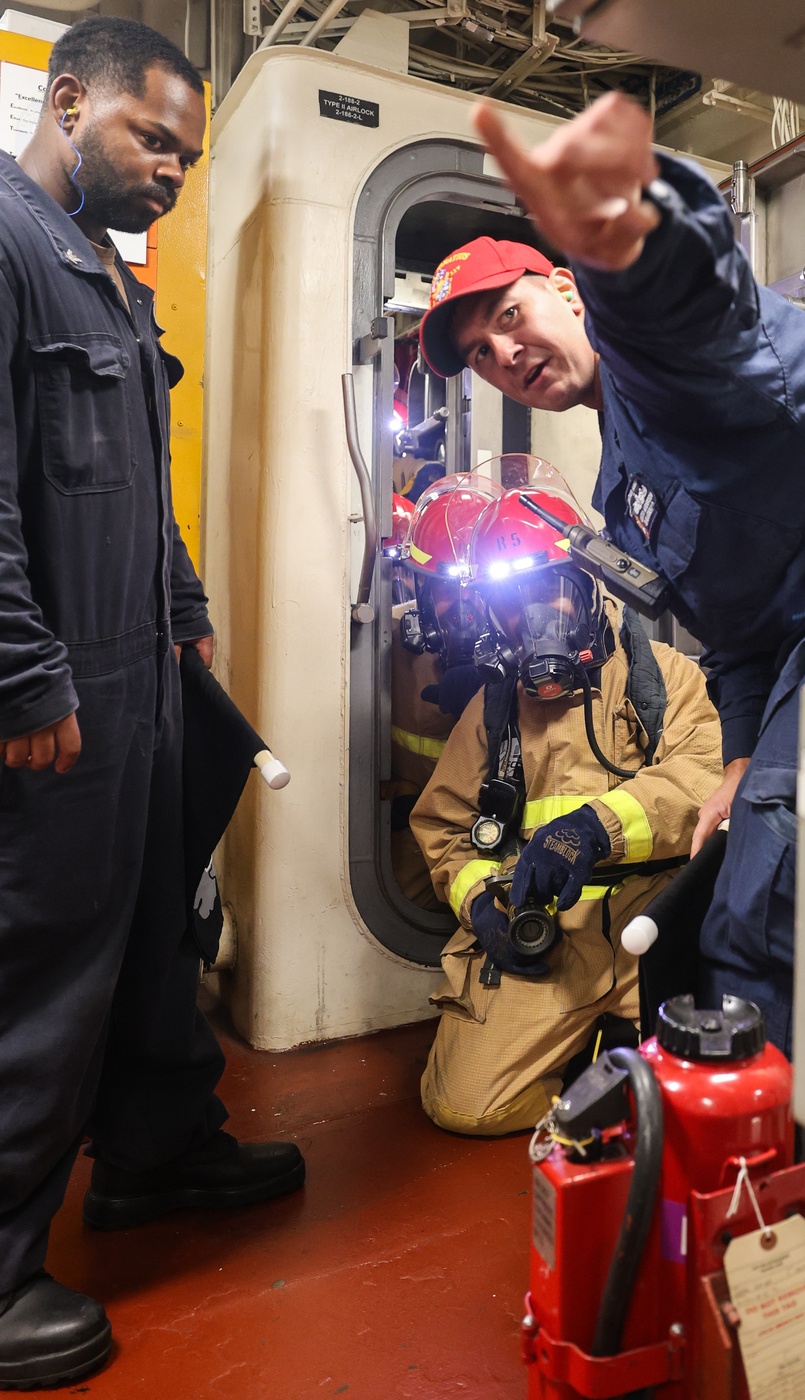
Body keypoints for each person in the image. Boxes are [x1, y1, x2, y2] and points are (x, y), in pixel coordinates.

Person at [417, 92, 805, 1276]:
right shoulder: (621, 458)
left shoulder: (654, 357)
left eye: (511, 316)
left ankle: (789, 1266)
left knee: (752, 922)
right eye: (479, 354)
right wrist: (732, 758)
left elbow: (696, 304)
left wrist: (627, 232)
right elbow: (731, 631)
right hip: (803, 654)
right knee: (703, 932)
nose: (505, 355)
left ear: (567, 291)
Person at [0, 18, 302, 1389]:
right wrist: (21, 672)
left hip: (143, 673)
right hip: (52, 690)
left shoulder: (112, 281)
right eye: (152, 139)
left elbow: (136, 473)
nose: (174, 168)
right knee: (44, 970)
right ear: (70, 105)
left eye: (187, 148)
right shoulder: (7, 247)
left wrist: (184, 620)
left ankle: (153, 1152)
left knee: (154, 927)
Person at [410, 485, 722, 1134]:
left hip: (651, 929)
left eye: (547, 591)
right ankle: (585, 1076)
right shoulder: (493, 709)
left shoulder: (663, 678)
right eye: (511, 603)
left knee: (695, 1098)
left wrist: (593, 828)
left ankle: (612, 1060)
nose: (533, 619)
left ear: (587, 584)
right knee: (462, 1106)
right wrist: (478, 905)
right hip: (549, 940)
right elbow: (443, 828)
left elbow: (703, 781)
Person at [389, 474, 497, 908]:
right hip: (414, 863)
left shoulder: (540, 653)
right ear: (421, 592)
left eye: (480, 588)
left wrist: (494, 693)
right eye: (448, 590)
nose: (465, 608)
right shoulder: (388, 646)